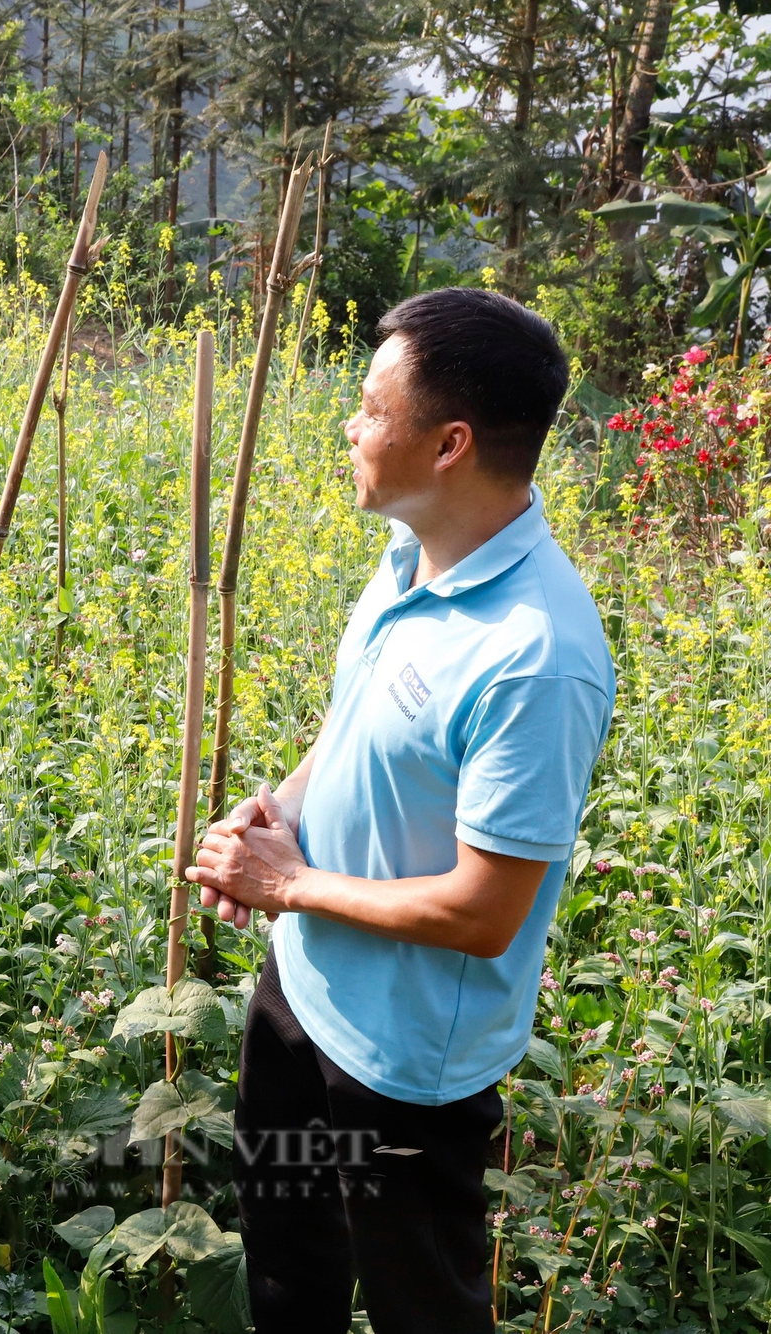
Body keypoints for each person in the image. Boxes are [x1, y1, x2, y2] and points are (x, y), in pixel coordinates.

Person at [185, 288, 615, 1334]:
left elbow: (481, 910)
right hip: (305, 987)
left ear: (448, 443)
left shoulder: (535, 654)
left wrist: (284, 884)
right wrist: (270, 811)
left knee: (421, 1302)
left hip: (404, 1064)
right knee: (286, 1257)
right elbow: (353, 725)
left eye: (371, 405)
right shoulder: (412, 557)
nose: (348, 423)